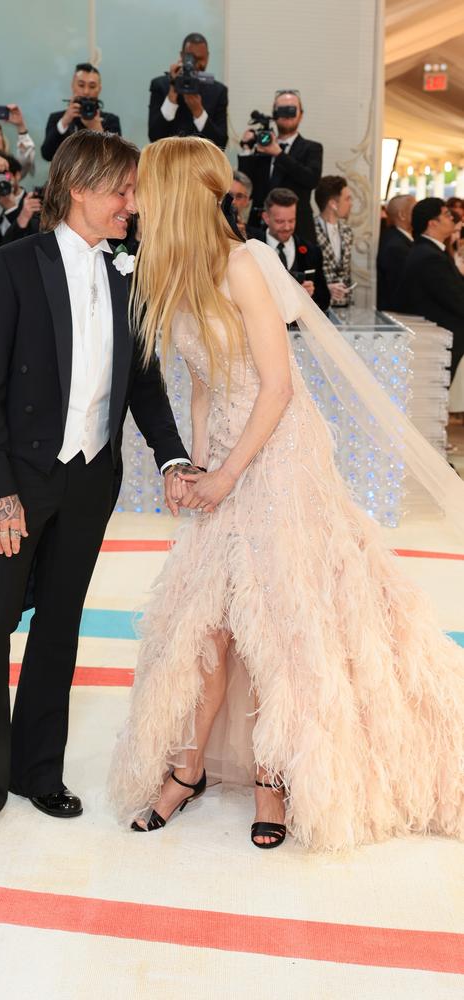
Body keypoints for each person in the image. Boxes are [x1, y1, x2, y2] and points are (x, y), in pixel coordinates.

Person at [108, 136, 464, 852]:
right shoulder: (175, 269)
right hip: (227, 464)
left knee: (276, 622)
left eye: (143, 185)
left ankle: (273, 775)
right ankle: (188, 768)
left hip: (278, 457)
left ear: (173, 191)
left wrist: (230, 474)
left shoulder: (246, 263)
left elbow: (277, 387)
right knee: (205, 622)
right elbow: (204, 379)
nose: (133, 197)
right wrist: (195, 466)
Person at [0, 130, 192, 846]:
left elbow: (143, 383)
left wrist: (172, 458)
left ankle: (36, 771)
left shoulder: (128, 278)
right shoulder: (10, 266)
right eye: (123, 190)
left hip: (90, 482)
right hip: (15, 483)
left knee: (59, 626)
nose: (132, 204)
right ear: (80, 186)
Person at [237, 90, 322, 244]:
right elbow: (245, 186)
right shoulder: (260, 147)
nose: (286, 114)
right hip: (259, 230)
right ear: (274, 114)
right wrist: (247, 150)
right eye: (281, 109)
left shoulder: (312, 148)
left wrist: (278, 153)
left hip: (298, 230)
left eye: (292, 109)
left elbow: (311, 179)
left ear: (301, 115)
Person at [397, 197, 464, 384]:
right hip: (439, 341)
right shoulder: (429, 257)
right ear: (432, 223)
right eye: (446, 214)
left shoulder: (432, 251)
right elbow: (456, 299)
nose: (452, 218)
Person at [250, 187, 330, 311]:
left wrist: (309, 295)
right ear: (266, 218)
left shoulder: (312, 251)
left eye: (291, 221)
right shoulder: (250, 250)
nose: (287, 227)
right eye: (280, 221)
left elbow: (324, 300)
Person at [148, 33, 228, 150]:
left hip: (202, 164)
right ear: (182, 56)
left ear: (208, 57)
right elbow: (154, 136)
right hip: (168, 162)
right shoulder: (161, 85)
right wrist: (171, 98)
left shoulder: (218, 91)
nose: (196, 65)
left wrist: (198, 112)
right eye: (191, 59)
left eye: (200, 59)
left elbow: (221, 144)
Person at [41, 63, 121, 162]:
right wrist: (64, 122)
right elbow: (47, 155)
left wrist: (96, 128)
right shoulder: (57, 118)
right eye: (81, 85)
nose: (86, 92)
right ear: (72, 86)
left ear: (99, 89)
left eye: (92, 86)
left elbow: (117, 160)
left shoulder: (110, 120)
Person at [313, 175, 354, 307]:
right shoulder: (310, 231)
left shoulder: (348, 232)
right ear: (333, 204)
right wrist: (326, 288)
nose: (351, 203)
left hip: (344, 307)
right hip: (318, 307)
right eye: (347, 199)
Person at [376, 194, 415, 311]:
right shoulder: (395, 246)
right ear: (402, 215)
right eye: (415, 209)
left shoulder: (400, 239)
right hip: (399, 313)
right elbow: (402, 289)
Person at [229, 171, 252, 239]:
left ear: (247, 201)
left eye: (239, 196)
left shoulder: (253, 237)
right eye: (229, 195)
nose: (233, 201)